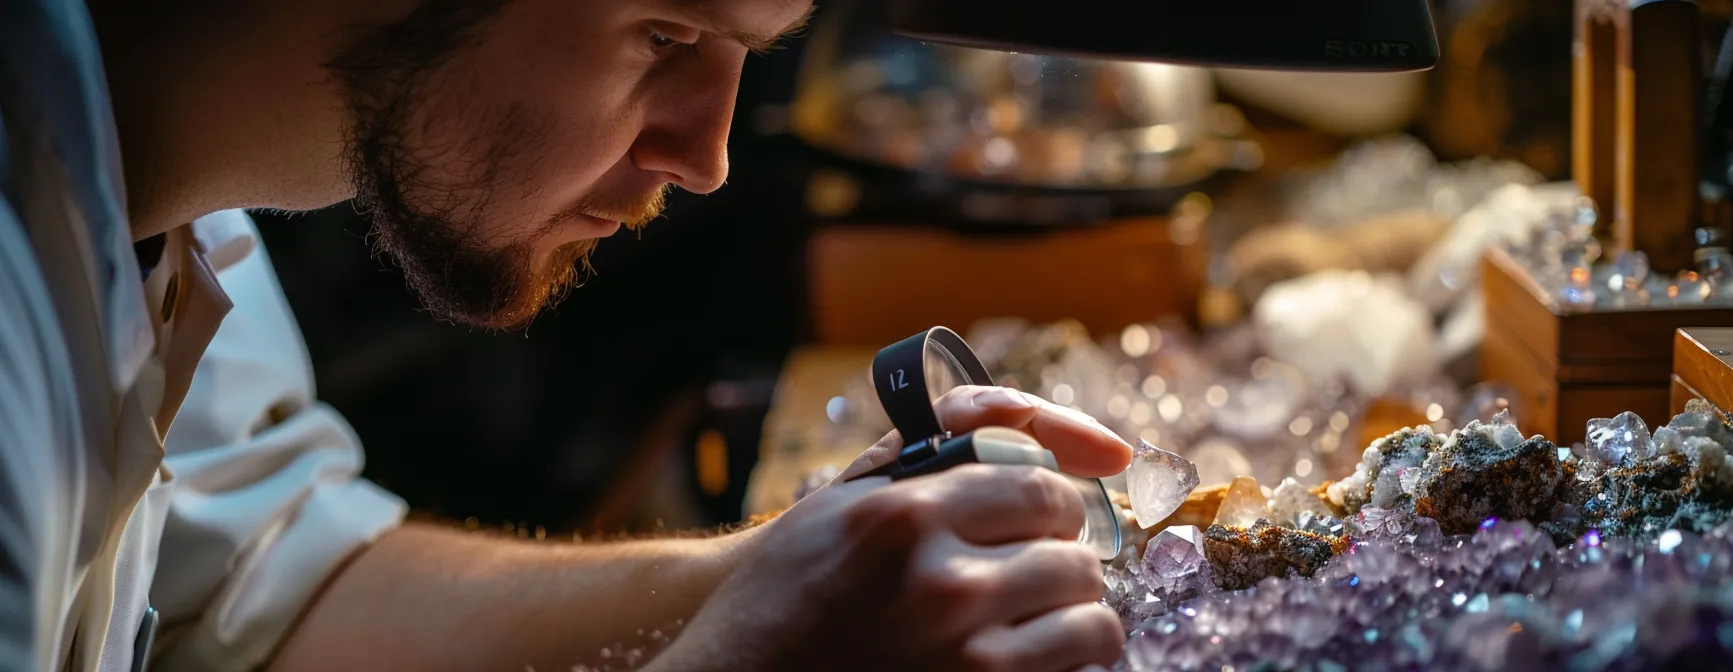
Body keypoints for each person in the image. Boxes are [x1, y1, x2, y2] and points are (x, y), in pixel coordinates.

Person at [0, 0, 1135, 670]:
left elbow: (269, 585)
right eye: (664, 31)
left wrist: (778, 569)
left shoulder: (176, 188)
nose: (707, 158)